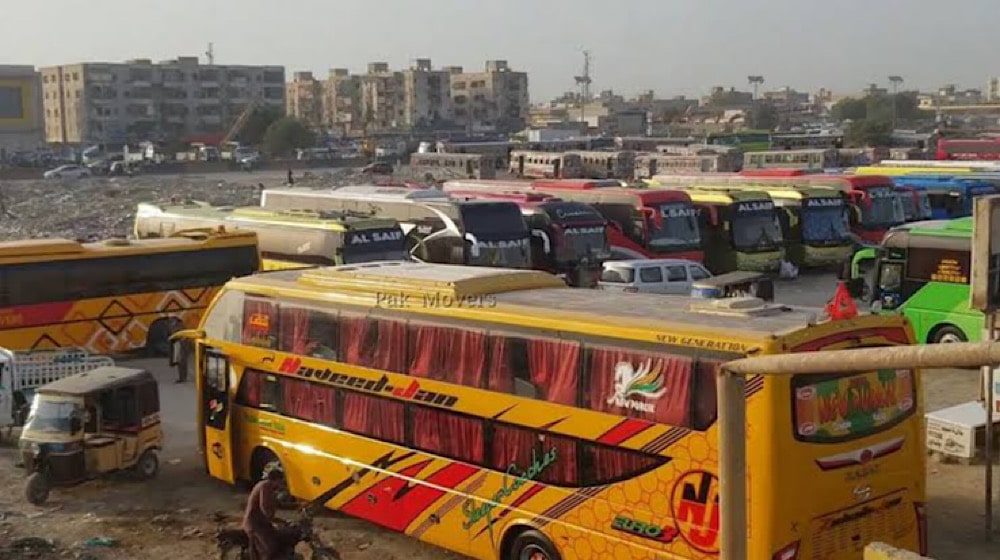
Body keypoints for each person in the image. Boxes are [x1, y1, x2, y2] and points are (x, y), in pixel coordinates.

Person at [243, 462, 285, 560]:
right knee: (269, 548)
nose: (280, 485)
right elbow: (264, 506)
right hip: (255, 524)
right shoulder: (265, 486)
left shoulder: (266, 486)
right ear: (276, 480)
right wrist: (273, 519)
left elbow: (274, 504)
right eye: (280, 482)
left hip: (260, 523)